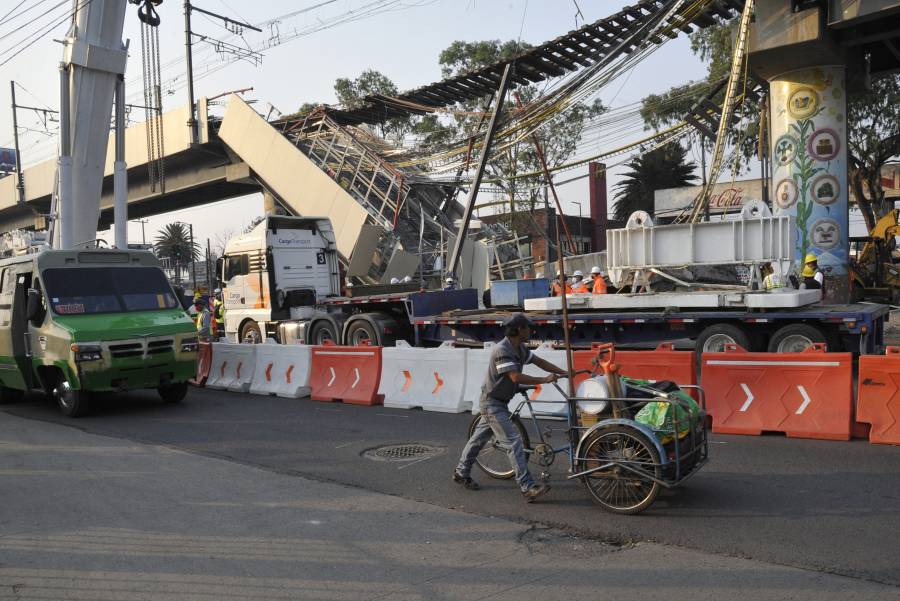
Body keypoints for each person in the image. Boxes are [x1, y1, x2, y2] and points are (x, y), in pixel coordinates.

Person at [453, 314, 566, 502]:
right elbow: (514, 377)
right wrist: (543, 380)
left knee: (477, 440)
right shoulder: (502, 350)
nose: (530, 331)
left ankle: (460, 472)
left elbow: (539, 362)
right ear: (519, 329)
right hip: (492, 403)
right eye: (527, 328)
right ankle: (527, 487)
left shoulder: (519, 348)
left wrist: (562, 372)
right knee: (514, 442)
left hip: (500, 401)